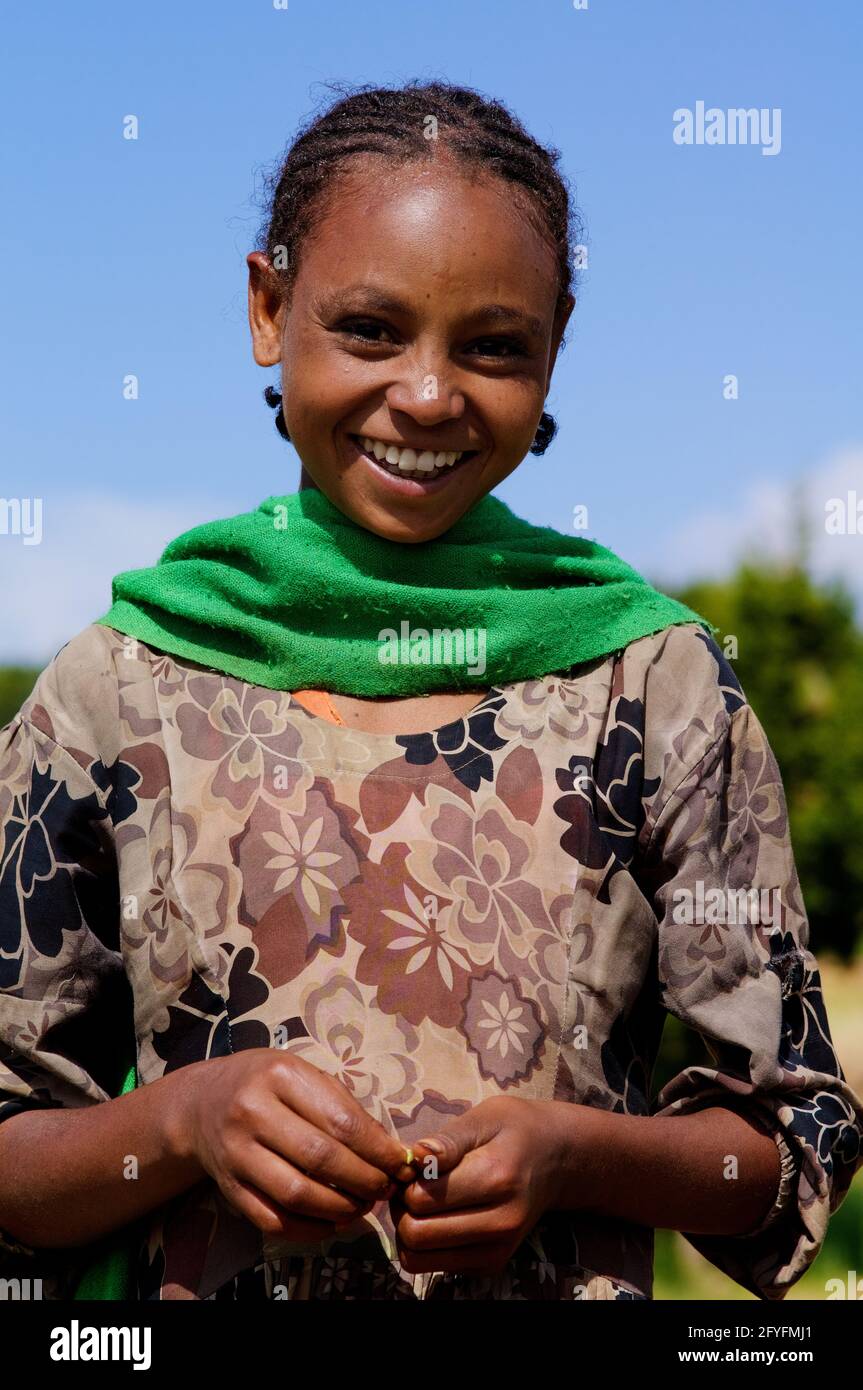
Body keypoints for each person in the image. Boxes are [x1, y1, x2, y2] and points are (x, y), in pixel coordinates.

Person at [1, 79, 861, 1302]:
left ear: (556, 343)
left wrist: (576, 1156)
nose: (425, 394)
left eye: (493, 345)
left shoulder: (655, 686)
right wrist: (186, 1120)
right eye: (368, 329)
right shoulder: (113, 694)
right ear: (267, 307)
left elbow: (787, 1157)